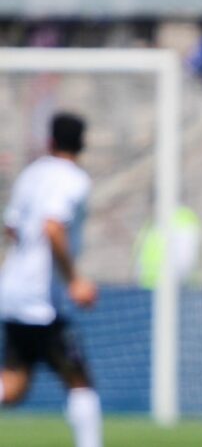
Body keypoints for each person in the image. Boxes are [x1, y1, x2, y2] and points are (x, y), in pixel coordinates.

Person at [0, 112, 101, 447]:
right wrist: (74, 280)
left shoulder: (31, 174)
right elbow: (53, 225)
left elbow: (12, 227)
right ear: (82, 144)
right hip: (40, 299)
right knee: (80, 381)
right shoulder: (74, 179)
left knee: (13, 387)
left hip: (13, 290)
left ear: (50, 141)